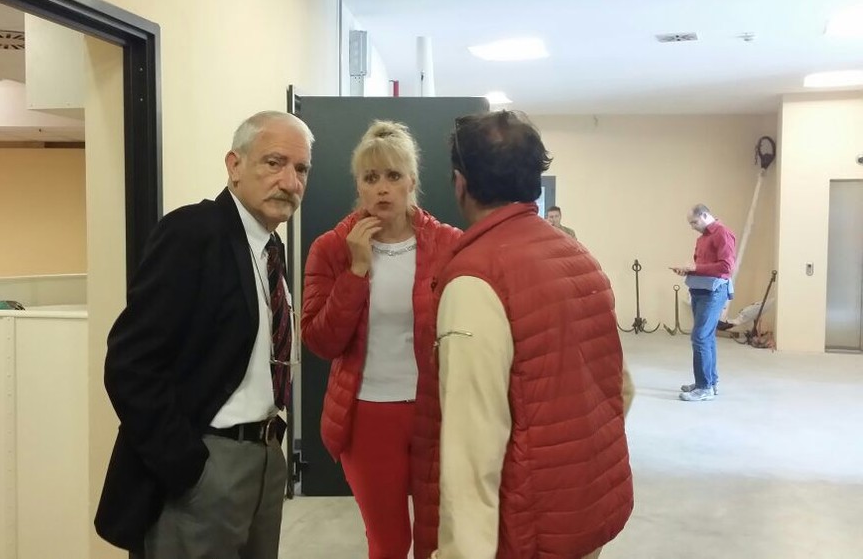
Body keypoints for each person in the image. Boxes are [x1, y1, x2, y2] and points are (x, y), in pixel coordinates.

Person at [94, 111, 314, 559]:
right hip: (207, 464)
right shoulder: (194, 233)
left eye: (301, 169)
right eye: (274, 163)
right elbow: (130, 363)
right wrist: (186, 465)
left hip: (265, 459)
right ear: (235, 166)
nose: (291, 182)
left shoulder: (270, 249)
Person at [425, 111, 633, 559]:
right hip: (585, 509)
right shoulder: (578, 256)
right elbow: (620, 389)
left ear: (460, 183)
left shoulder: (477, 279)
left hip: (528, 530)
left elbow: (472, 446)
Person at [301, 120, 461, 559]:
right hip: (368, 415)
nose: (382, 188)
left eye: (393, 175)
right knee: (389, 543)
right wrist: (356, 271)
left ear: (412, 181)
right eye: (371, 178)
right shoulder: (331, 248)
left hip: (437, 411)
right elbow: (320, 341)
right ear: (358, 185)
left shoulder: (450, 245)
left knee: (438, 541)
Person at [670, 203, 736, 401]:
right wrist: (687, 270)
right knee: (707, 338)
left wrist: (695, 269)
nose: (692, 227)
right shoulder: (702, 239)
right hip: (699, 290)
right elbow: (702, 266)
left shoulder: (722, 233)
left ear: (705, 215)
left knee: (699, 337)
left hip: (714, 292)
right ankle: (709, 382)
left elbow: (726, 267)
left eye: (694, 222)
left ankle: (704, 388)